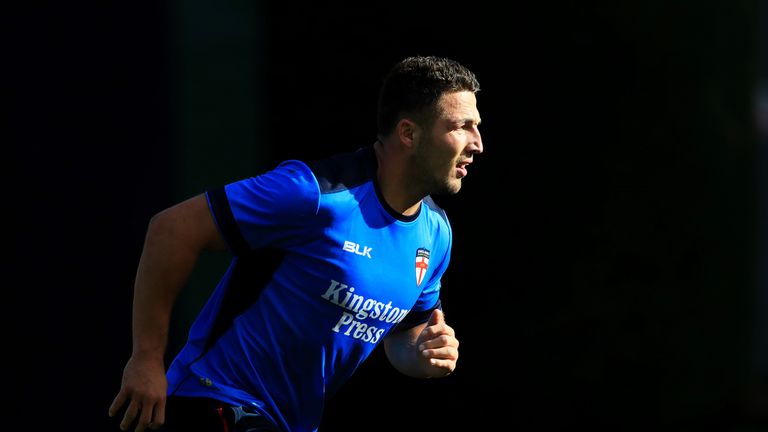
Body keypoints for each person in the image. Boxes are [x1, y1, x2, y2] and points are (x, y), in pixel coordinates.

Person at [109, 55, 483, 432]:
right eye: (462, 126)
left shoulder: (436, 235)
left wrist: (424, 352)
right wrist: (146, 358)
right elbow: (171, 230)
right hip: (219, 399)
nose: (478, 144)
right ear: (408, 133)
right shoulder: (313, 194)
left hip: (287, 422)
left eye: (477, 127)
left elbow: (404, 336)